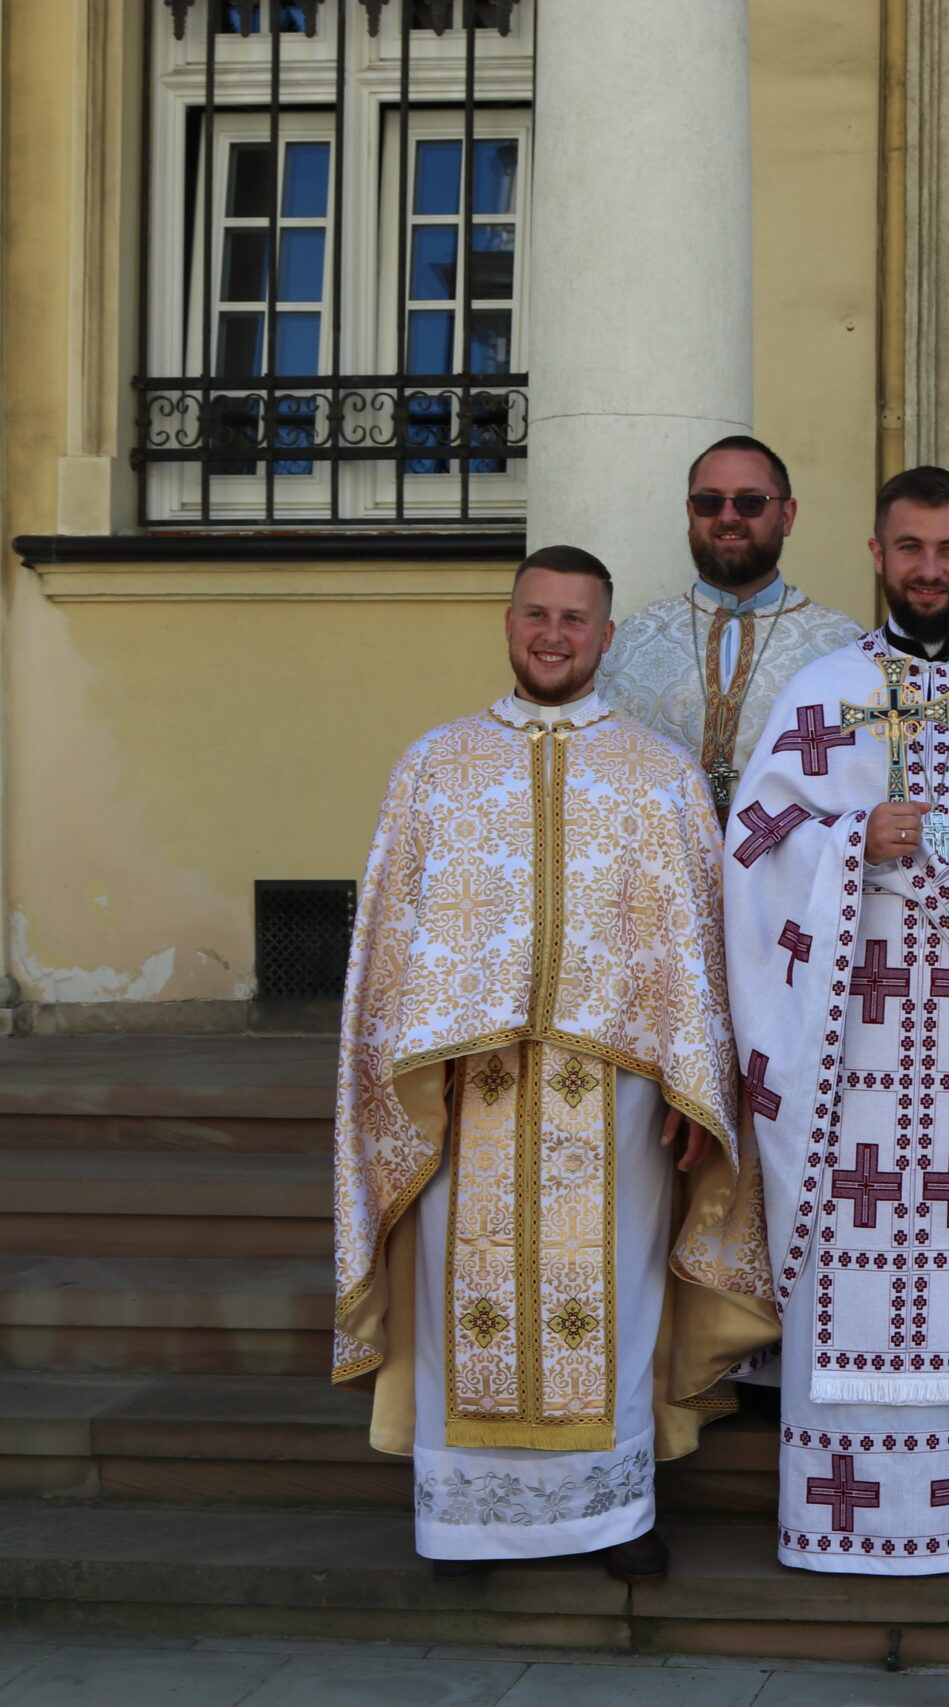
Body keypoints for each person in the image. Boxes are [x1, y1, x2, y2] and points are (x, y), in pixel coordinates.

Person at [333, 546, 777, 1585]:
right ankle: (467, 1526)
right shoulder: (435, 765)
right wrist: (404, 1063)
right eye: (537, 614)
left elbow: (700, 949)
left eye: (577, 620)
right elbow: (389, 938)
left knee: (613, 1291)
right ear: (507, 621)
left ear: (607, 637)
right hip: (462, 1087)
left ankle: (612, 1515)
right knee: (462, 1292)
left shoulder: (659, 773)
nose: (554, 635)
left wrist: (698, 1083)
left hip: (616, 1085)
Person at [722, 467, 949, 1576]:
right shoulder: (820, 691)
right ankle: (851, 1512)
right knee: (855, 1249)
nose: (930, 568)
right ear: (876, 553)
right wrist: (843, 841)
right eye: (910, 547)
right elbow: (751, 843)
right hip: (847, 1032)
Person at [595, 434, 865, 822]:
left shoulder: (843, 647)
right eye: (709, 502)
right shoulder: (630, 643)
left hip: (786, 875)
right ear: (690, 513)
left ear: (787, 516)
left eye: (750, 502)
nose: (728, 517)